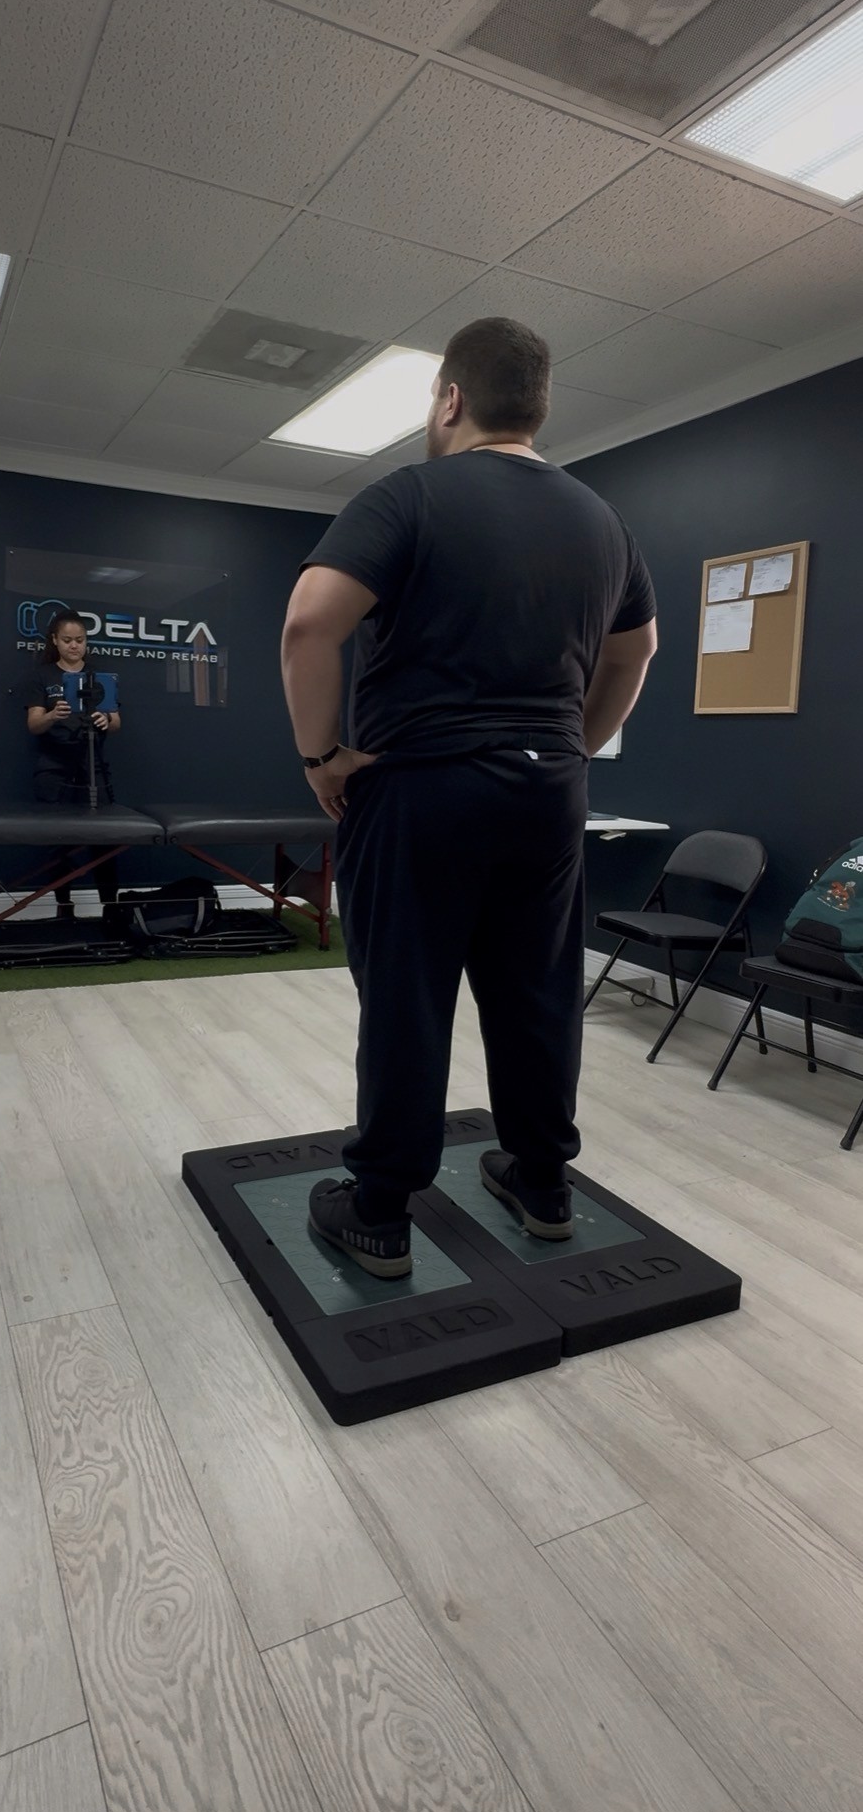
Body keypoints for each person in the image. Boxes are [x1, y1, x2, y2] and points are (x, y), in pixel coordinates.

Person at [281, 317, 657, 1278]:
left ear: (450, 399)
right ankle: (542, 1183)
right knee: (538, 994)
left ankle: (376, 1212)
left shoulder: (410, 493)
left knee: (408, 997)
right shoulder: (602, 520)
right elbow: (636, 650)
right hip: (548, 799)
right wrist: (577, 745)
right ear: (538, 407)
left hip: (423, 789)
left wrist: (322, 754)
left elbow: (308, 624)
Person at [22, 612, 122, 918]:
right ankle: (63, 905)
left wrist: (106, 719)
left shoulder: (100, 675)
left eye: (80, 640)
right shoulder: (43, 676)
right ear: (55, 640)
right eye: (67, 640)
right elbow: (33, 724)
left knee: (106, 838)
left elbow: (117, 721)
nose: (74, 646)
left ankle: (110, 905)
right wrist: (53, 715)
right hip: (53, 767)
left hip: (94, 767)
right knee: (58, 840)